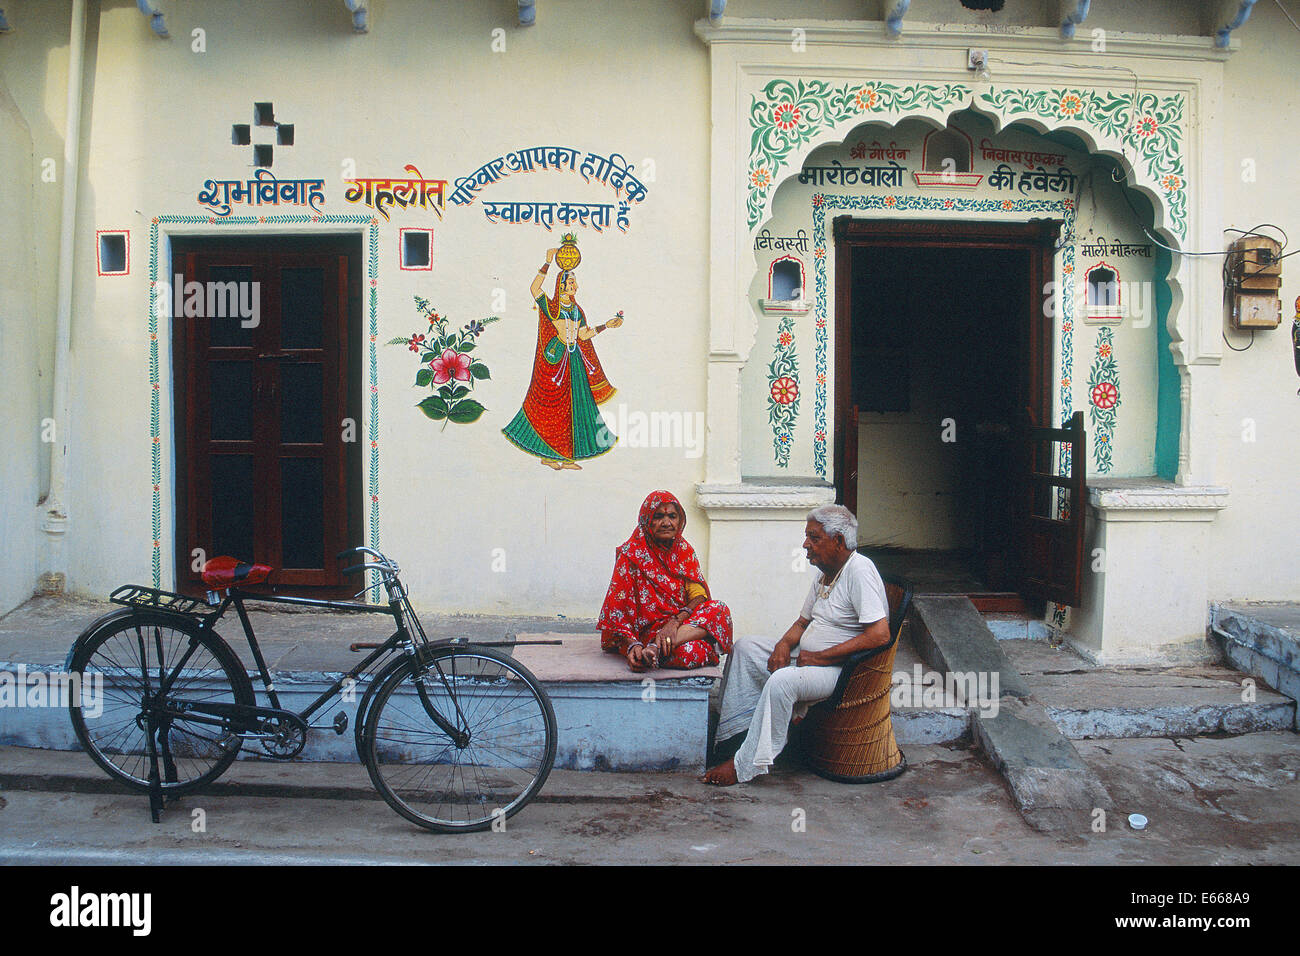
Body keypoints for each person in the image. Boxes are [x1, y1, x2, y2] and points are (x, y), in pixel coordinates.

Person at [703, 504, 889, 786]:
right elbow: (802, 623)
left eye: (814, 538)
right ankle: (735, 738)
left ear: (838, 540)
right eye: (807, 537)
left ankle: (746, 764)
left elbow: (879, 635)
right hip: (809, 658)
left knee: (783, 682)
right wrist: (783, 644)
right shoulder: (825, 572)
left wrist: (821, 657)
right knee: (745, 648)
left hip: (840, 670)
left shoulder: (860, 570)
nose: (806, 545)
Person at [501, 245, 623, 470]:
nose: (576, 286)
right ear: (562, 285)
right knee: (551, 410)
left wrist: (607, 325)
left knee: (574, 409)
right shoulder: (552, 307)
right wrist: (547, 262)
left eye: (575, 282)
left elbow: (583, 335)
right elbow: (534, 288)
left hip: (574, 362)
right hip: (554, 360)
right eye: (572, 282)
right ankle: (547, 455)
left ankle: (568, 456)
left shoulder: (577, 310)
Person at [597, 490, 734, 672]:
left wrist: (673, 624)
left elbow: (699, 597)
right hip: (645, 635)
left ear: (680, 521)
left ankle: (655, 649)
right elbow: (616, 613)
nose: (667, 523)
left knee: (719, 609)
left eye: (672, 516)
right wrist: (632, 645)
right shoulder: (630, 555)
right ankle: (649, 652)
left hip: (678, 630)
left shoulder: (684, 551)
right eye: (659, 516)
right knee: (690, 653)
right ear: (647, 520)